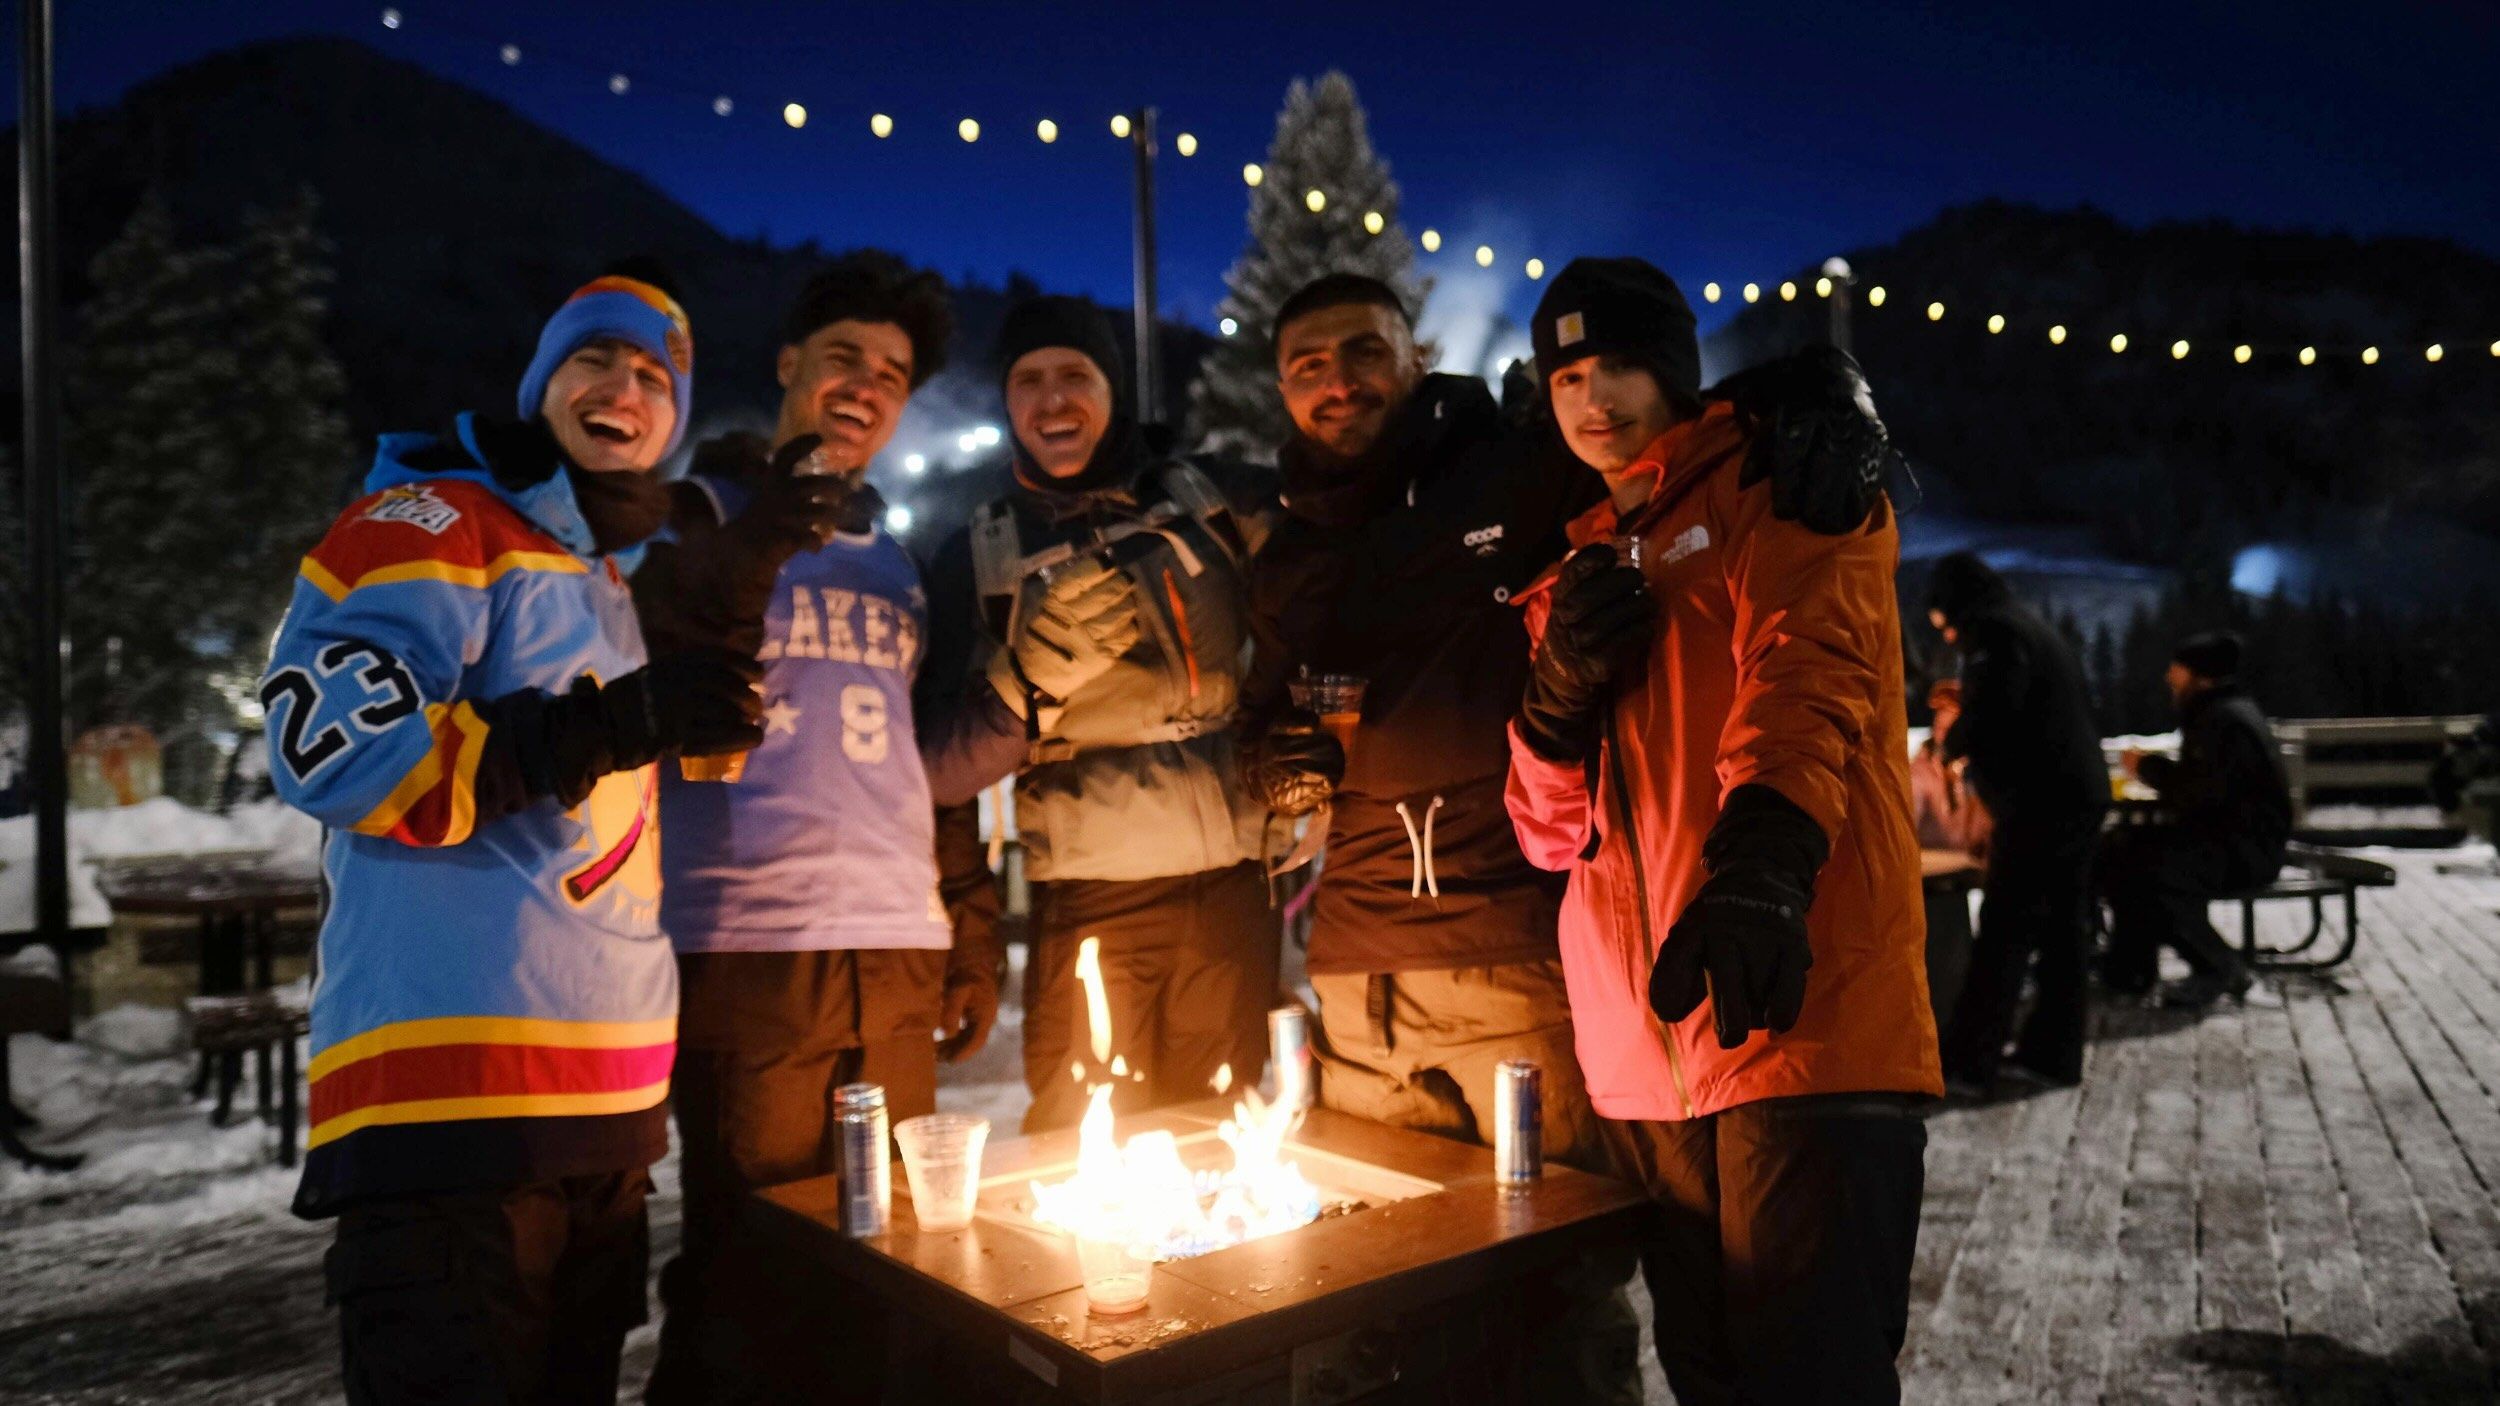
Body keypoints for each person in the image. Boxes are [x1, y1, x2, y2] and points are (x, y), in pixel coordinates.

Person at [263, 268, 761, 1406]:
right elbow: (335, 751)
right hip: (451, 1118)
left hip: (605, 1124)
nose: (623, 389)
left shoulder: (605, 576)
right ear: (540, 385)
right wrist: (611, 722)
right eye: (594, 359)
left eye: (654, 378)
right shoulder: (432, 517)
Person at [1503, 256, 1941, 1405]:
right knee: (1708, 1378)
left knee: (1810, 1378)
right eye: (1567, 377)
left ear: (1675, 369)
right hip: (1644, 1054)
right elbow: (1549, 838)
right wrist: (1551, 706)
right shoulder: (1571, 569)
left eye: (1620, 365)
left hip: (1795, 1001)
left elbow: (1807, 681)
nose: (1594, 398)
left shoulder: (1781, 475)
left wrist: (1761, 871)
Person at [630, 253, 1008, 1403]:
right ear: (789, 362)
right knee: (750, 1266)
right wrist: (755, 528)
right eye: (845, 356)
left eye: (892, 373)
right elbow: (651, 669)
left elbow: (923, 761)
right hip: (749, 938)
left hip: (895, 941)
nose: (866, 385)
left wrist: (970, 926)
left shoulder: (894, 558)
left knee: (890, 1259)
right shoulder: (695, 518)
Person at [921, 295, 1275, 1132]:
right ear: (1007, 402)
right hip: (1088, 900)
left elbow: (1338, 550)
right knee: (1084, 1147)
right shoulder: (978, 554)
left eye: (1075, 375)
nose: (1052, 400)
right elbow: (936, 773)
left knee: (1224, 1141)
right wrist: (1024, 686)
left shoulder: (1211, 503)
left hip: (1231, 893)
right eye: (1028, 380)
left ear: (1113, 388)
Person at [1923, 551, 2109, 1092]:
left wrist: (1952, 745)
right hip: (2074, 792)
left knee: (2006, 926)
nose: (1950, 638)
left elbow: (1995, 709)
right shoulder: (2026, 625)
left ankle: (1969, 1061)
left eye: (1947, 625)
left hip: (2041, 800)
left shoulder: (1996, 633)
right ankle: (2052, 1054)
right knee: (2061, 929)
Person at [2102, 631, 2291, 1007]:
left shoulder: (2223, 721)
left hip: (2244, 850)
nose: (2169, 677)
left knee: (2146, 868)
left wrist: (2146, 767)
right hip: (2235, 841)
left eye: (2177, 669)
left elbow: (2200, 793)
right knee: (2121, 850)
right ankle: (2128, 970)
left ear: (2198, 676)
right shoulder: (2219, 714)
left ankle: (2217, 966)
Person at [1910, 679, 1992, 857]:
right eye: (1941, 729)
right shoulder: (1920, 775)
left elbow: (1983, 833)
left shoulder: (1972, 774)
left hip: (1963, 869)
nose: (1947, 739)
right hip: (1932, 870)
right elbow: (1909, 824)